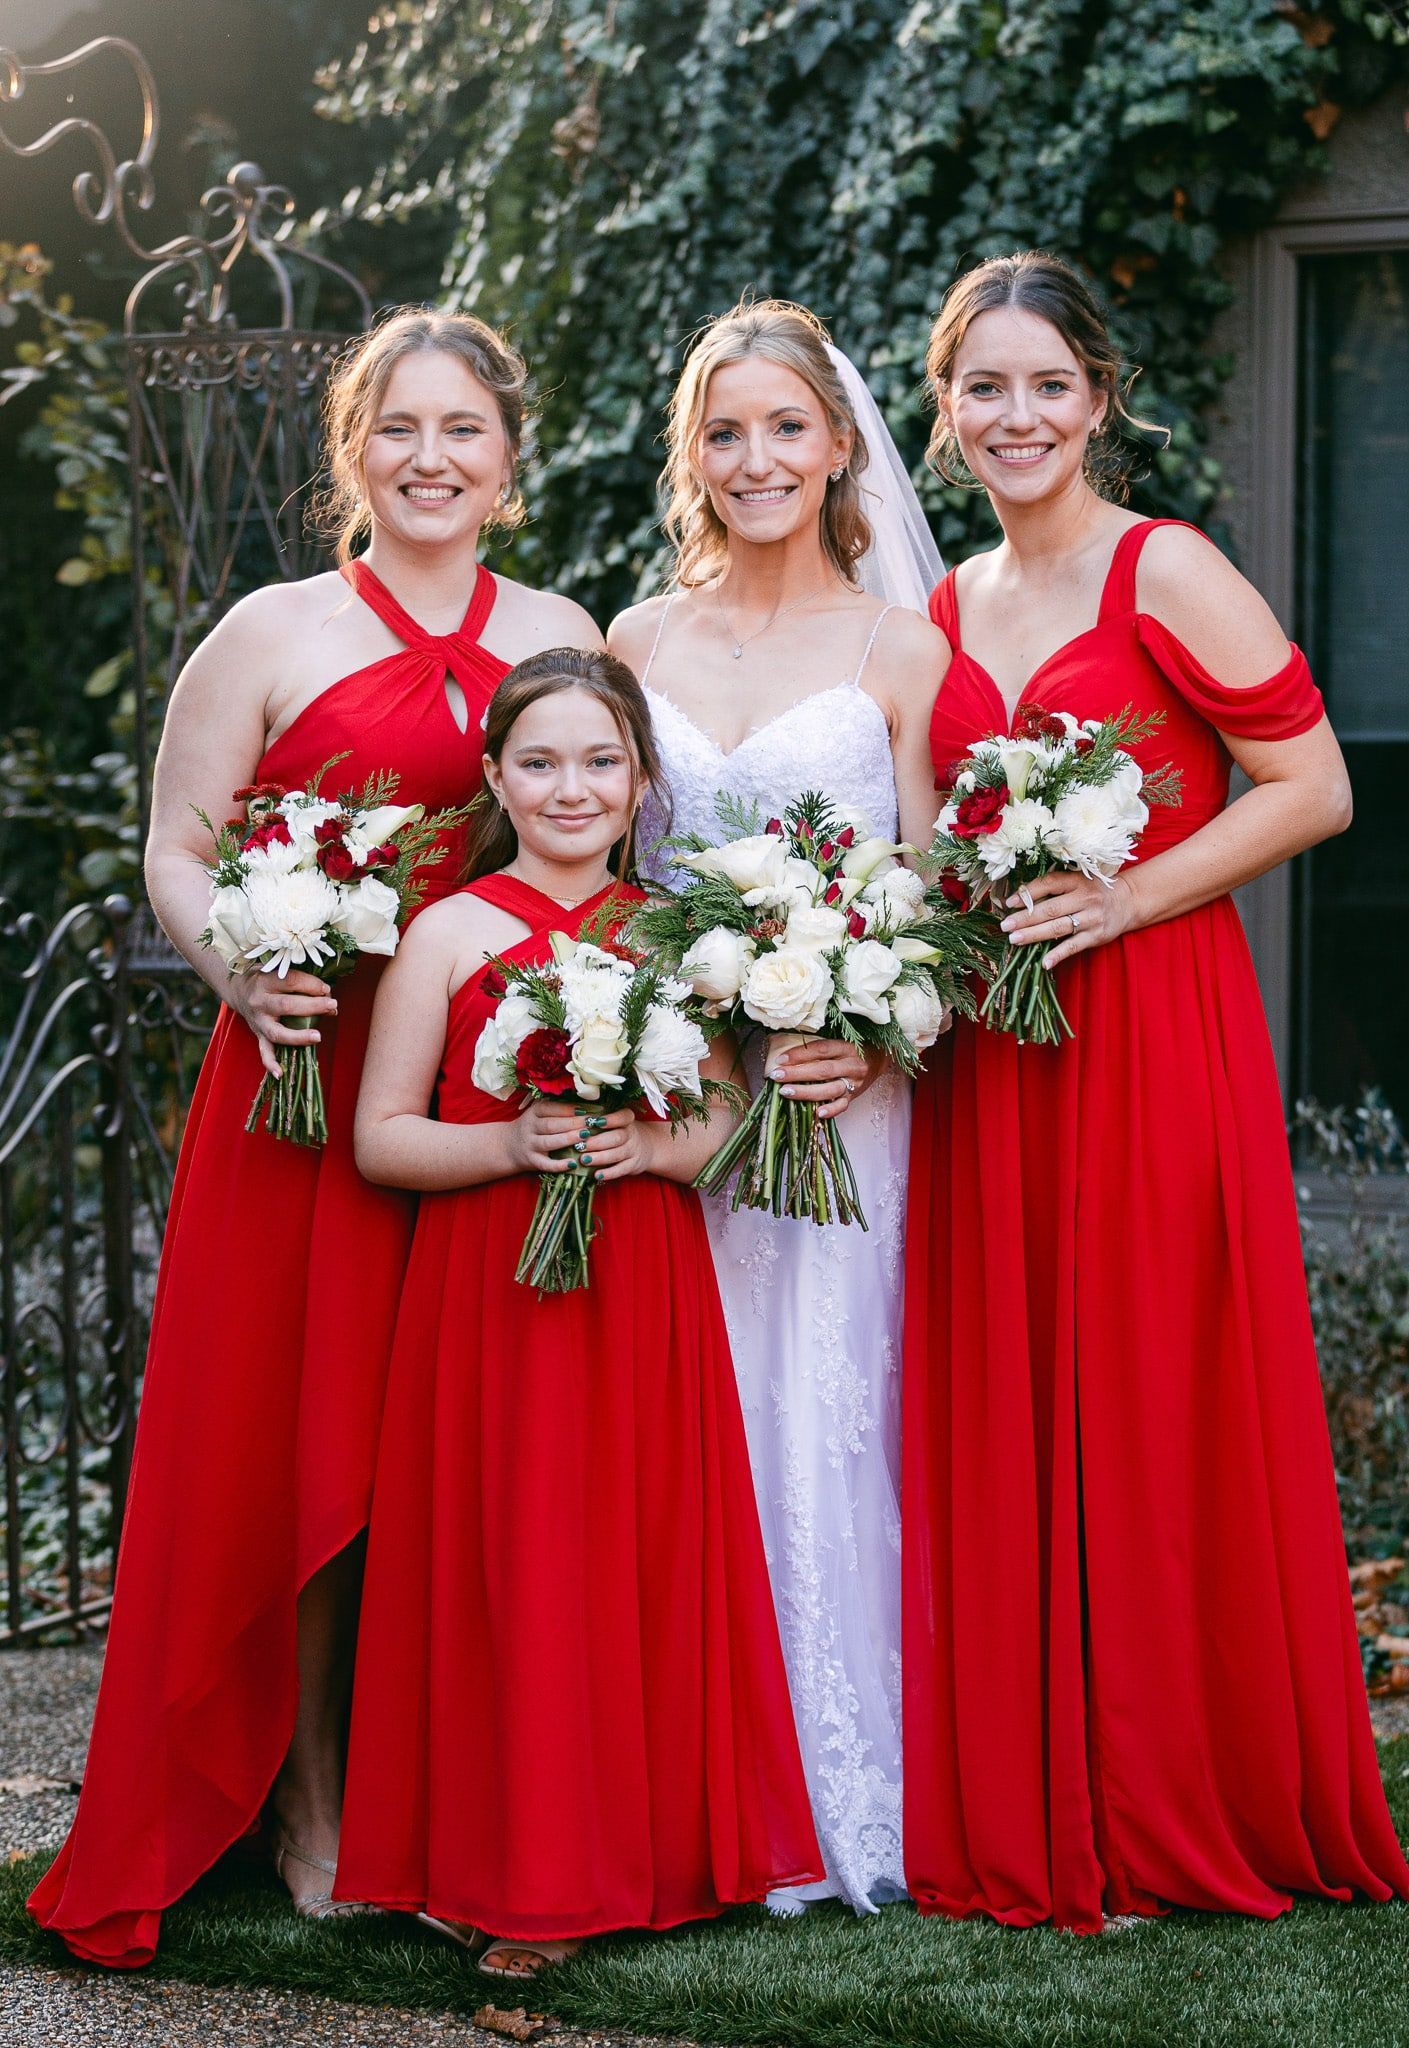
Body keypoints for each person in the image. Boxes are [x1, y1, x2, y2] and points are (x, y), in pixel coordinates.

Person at [29, 309, 603, 1966]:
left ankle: (467, 1792)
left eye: (463, 431)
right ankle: (312, 1801)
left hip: (490, 1090)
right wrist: (242, 964)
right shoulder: (268, 631)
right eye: (397, 429)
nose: (431, 459)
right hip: (303, 1079)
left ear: (511, 454)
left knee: (465, 1452)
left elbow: (600, 826)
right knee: (308, 1440)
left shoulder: (560, 626)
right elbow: (179, 849)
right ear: (352, 449)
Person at [903, 249, 1409, 1930]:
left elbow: (1316, 784)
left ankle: (1174, 1786)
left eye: (1048, 385)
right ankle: (1031, 1779)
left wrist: (1125, 893)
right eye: (986, 386)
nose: (1017, 415)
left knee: (1145, 1383)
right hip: (998, 1055)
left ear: (1099, 402)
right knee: (1017, 1387)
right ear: (947, 407)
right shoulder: (945, 608)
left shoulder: (1163, 569)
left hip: (1149, 1032)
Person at [333, 648, 822, 1975]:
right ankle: (500, 1865)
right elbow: (382, 1137)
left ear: (641, 780)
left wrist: (650, 1156)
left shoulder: (671, 931)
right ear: (493, 776)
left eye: (600, 761)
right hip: (489, 1292)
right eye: (538, 762)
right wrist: (508, 1150)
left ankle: (642, 1848)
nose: (570, 787)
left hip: (638, 1288)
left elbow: (724, 1119)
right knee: (509, 1561)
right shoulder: (447, 932)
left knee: (629, 1553)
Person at [610, 299, 946, 1915]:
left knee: (826, 1411)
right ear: (698, 454)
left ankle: (839, 1800)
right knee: (680, 1424)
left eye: (783, 430)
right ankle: (684, 1786)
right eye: (723, 432)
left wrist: (879, 1034)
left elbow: (943, 892)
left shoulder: (902, 650)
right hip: (679, 1107)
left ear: (835, 447)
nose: (756, 460)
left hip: (834, 1102)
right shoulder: (636, 642)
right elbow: (601, 886)